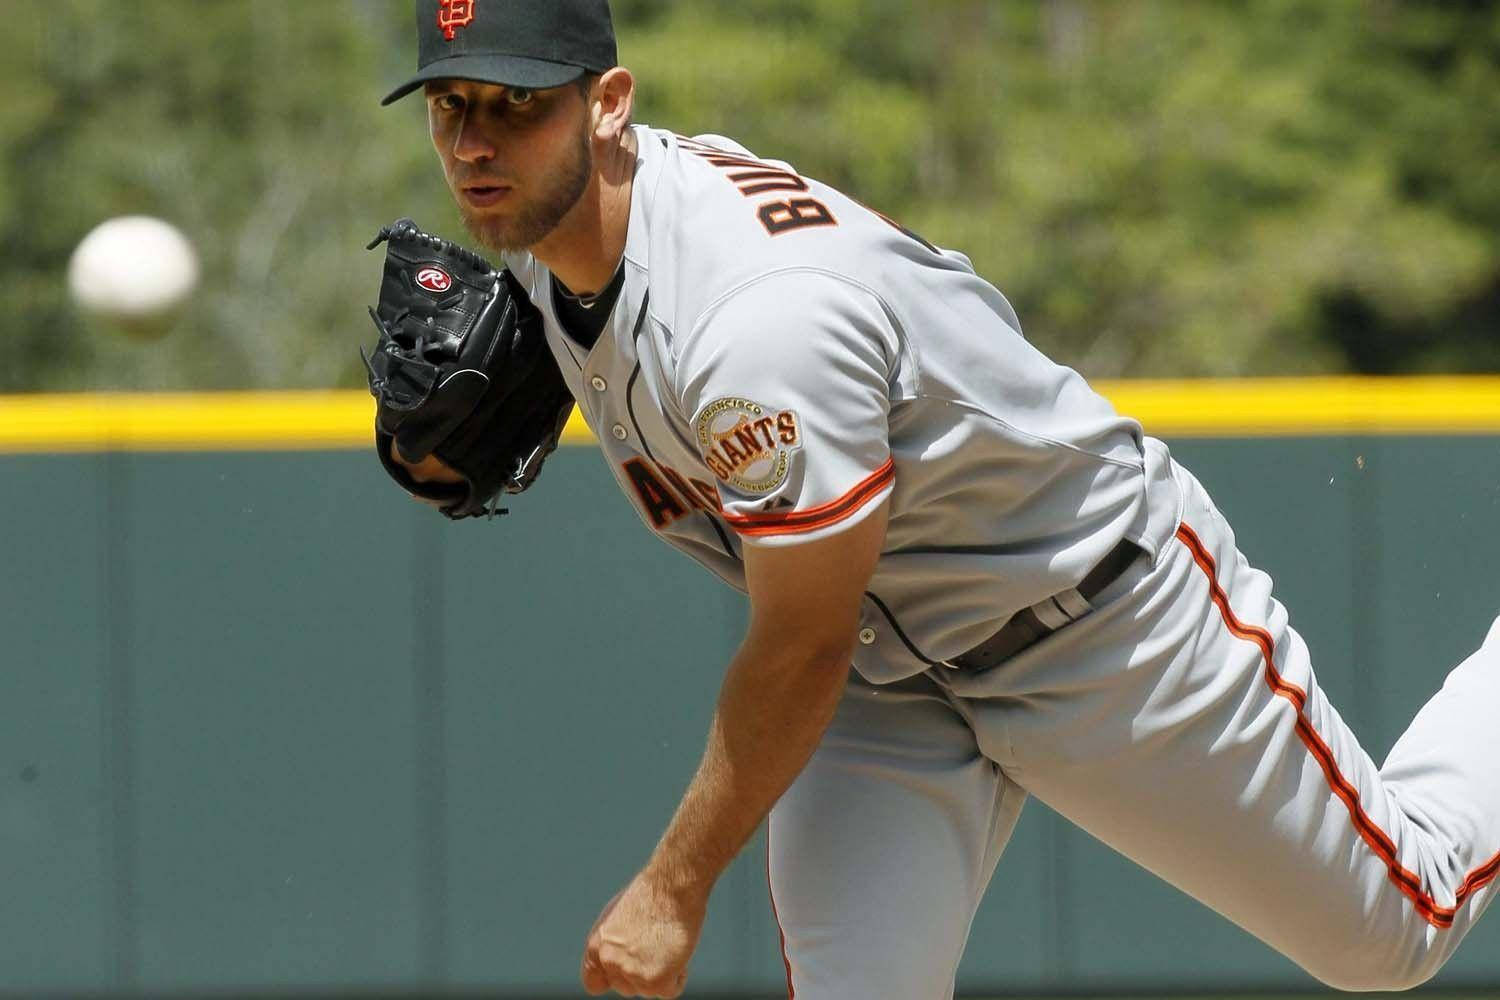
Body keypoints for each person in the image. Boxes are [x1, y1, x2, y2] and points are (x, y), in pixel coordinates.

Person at [376, 2, 1500, 997]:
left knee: (1394, 933)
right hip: (886, 669)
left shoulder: (756, 318)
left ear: (608, 102)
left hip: (1093, 616)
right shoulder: (551, 234)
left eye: (515, 106)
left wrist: (671, 888)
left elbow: (799, 643)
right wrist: (432, 451)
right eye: (450, 108)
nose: (475, 144)